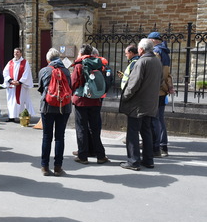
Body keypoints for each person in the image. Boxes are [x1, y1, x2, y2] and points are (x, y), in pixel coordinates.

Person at [119, 38, 162, 171]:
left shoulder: (141, 62)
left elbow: (133, 84)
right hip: (150, 103)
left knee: (132, 133)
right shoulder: (157, 61)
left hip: (138, 104)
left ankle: (133, 161)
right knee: (146, 132)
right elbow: (160, 81)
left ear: (141, 49)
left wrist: (125, 96)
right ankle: (148, 160)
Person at [71, 44, 109, 165]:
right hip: (96, 99)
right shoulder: (98, 63)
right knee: (95, 129)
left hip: (82, 100)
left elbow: (74, 82)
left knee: (81, 128)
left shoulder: (79, 64)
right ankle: (100, 155)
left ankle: (83, 155)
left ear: (81, 53)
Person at [38, 48, 71, 176]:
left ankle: (44, 167)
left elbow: (41, 89)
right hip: (64, 107)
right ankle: (58, 167)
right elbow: (70, 87)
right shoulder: (66, 71)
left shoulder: (44, 71)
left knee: (47, 136)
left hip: (48, 107)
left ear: (48, 60)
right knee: (59, 137)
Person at [148, 32, 175, 157]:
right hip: (163, 89)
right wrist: (169, 86)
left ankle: (158, 145)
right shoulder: (165, 51)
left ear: (153, 40)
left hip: (156, 90)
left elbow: (156, 73)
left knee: (156, 119)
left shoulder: (156, 52)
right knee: (160, 118)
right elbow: (167, 73)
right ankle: (163, 145)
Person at [2, 48, 35, 122]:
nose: (16, 54)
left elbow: (26, 73)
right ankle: (11, 116)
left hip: (21, 86)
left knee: (21, 101)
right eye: (14, 52)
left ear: (21, 53)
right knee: (11, 101)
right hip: (12, 86)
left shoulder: (25, 62)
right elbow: (5, 72)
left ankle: (21, 116)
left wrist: (20, 82)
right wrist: (10, 80)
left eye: (17, 52)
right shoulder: (10, 62)